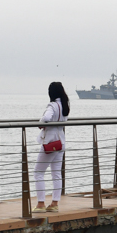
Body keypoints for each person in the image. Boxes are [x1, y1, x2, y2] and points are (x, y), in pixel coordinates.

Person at [34, 82, 70, 213]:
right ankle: (55, 203)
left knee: (38, 172)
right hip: (61, 141)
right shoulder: (65, 105)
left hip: (50, 142)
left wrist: (41, 123)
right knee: (56, 173)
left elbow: (46, 118)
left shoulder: (52, 105)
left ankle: (41, 203)